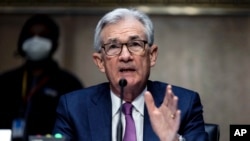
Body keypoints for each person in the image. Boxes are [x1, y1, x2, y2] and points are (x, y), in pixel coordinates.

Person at [53, 8, 208, 141]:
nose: (125, 56)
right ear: (100, 62)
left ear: (152, 55)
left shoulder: (184, 104)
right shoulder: (73, 108)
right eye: (113, 47)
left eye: (135, 44)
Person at [0, 14, 83, 140]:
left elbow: (78, 127)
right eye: (30, 35)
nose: (35, 40)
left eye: (43, 36)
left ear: (54, 43)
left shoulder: (68, 84)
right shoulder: (5, 81)